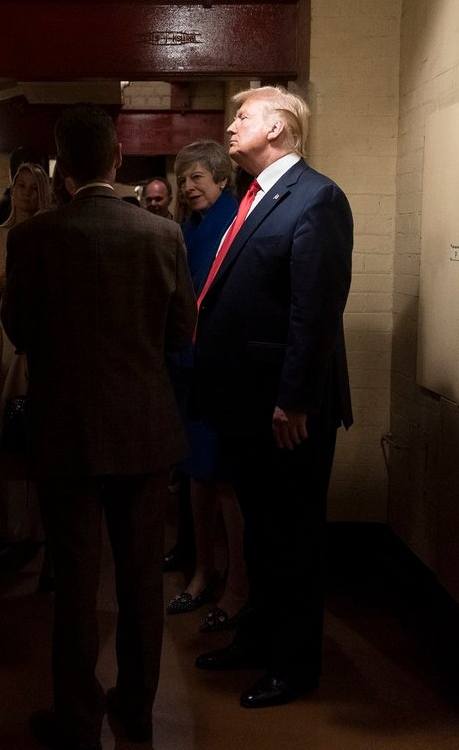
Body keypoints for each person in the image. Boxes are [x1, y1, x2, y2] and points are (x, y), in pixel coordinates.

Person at [2, 104, 195, 750]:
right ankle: (135, 710)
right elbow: (182, 331)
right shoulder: (162, 235)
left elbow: (20, 330)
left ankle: (76, 716)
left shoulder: (31, 239)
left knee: (76, 584)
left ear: (61, 171)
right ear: (116, 159)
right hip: (143, 428)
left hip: (65, 430)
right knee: (142, 581)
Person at [192, 85, 354, 709]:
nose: (231, 127)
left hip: (288, 412)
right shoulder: (256, 197)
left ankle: (295, 666)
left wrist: (294, 401)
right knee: (261, 536)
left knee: (293, 540)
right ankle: (258, 641)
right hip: (250, 407)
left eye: (243, 116)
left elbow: (315, 312)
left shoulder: (317, 198)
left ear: (280, 128)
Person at [163, 140, 249, 635]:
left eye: (197, 177)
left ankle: (237, 583)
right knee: (198, 474)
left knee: (226, 480)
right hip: (187, 364)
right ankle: (204, 570)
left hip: (223, 368)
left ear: (221, 178)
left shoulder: (237, 220)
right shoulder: (187, 226)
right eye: (183, 179)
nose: (188, 187)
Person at [0, 162, 52, 545]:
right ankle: (12, 527)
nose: (26, 194)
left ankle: (38, 528)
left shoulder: (51, 233)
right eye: (20, 187)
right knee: (6, 425)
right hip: (3, 327)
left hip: (36, 333)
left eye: (33, 188)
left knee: (36, 428)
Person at [0, 146, 47, 227]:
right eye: (22, 185)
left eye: (34, 188)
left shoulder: (4, 204)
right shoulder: (6, 207)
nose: (27, 192)